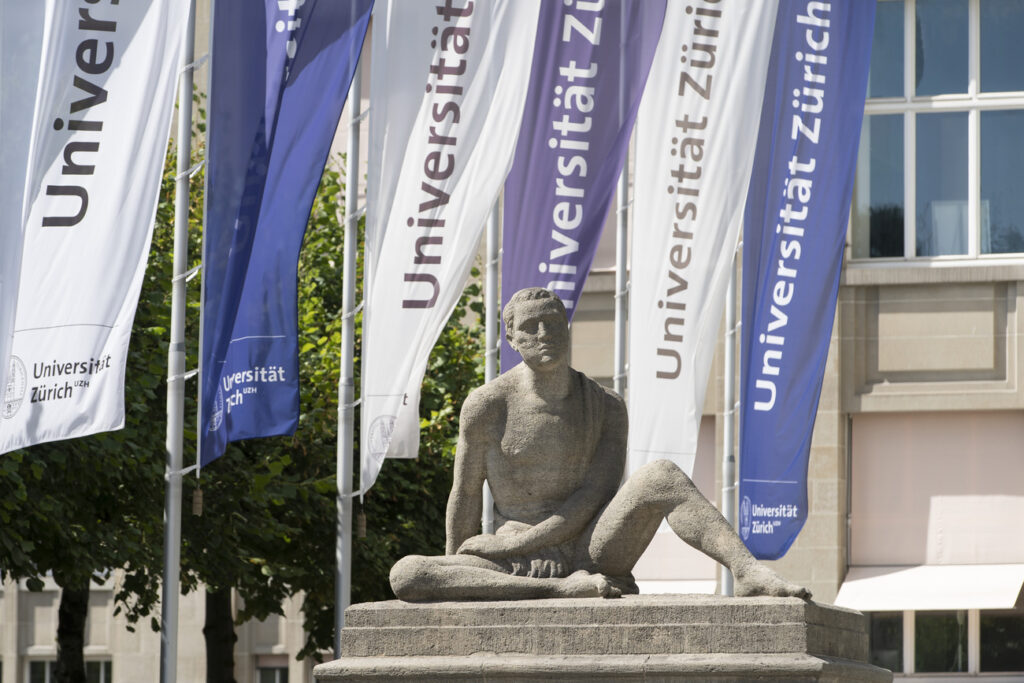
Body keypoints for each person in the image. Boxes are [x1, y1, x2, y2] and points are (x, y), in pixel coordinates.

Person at [390, 288, 810, 601]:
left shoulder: (605, 406)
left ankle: (747, 570)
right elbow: (464, 495)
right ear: (512, 339)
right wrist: (458, 571)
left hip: (587, 546)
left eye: (553, 323)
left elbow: (592, 497)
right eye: (530, 327)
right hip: (510, 561)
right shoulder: (487, 405)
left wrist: (519, 543)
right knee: (407, 574)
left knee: (661, 476)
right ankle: (559, 591)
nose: (544, 334)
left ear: (567, 329)